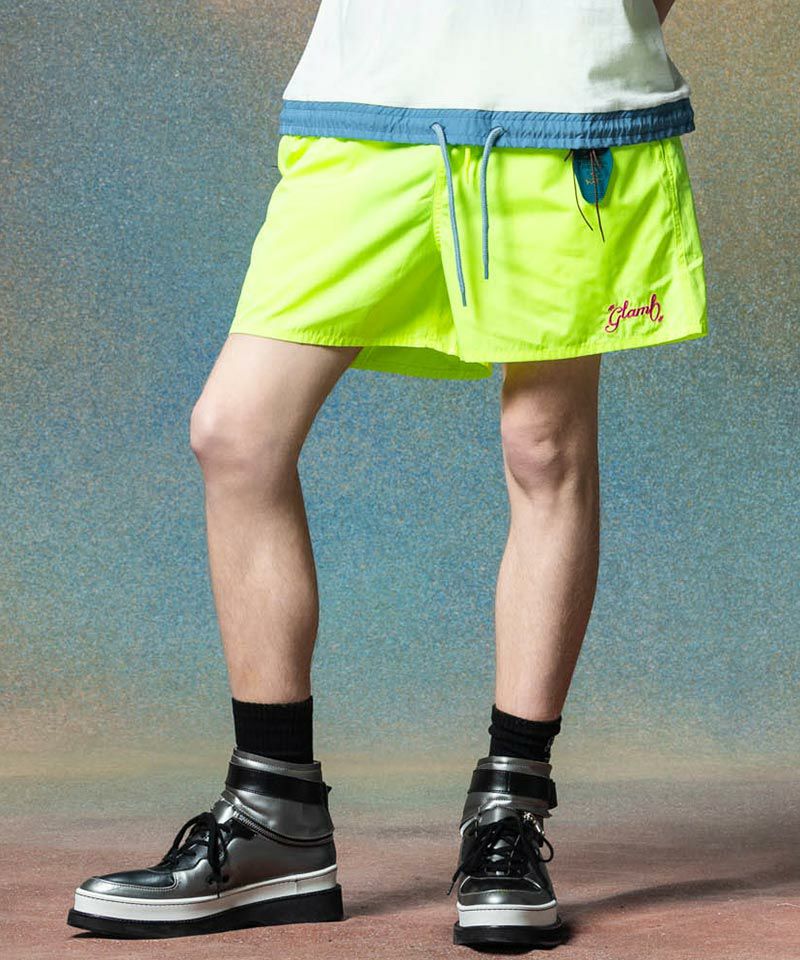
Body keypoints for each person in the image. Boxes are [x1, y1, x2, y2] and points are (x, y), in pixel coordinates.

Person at [67, 0, 706, 948]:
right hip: (369, 101)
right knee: (236, 432)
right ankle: (274, 813)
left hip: (567, 111)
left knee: (544, 446)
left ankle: (508, 812)